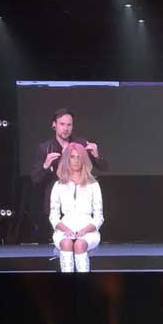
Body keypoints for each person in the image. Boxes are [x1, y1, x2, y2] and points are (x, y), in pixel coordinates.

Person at [31, 108, 107, 242]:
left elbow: (104, 168)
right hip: (57, 203)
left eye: (69, 125)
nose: (65, 128)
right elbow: (35, 179)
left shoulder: (80, 144)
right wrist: (45, 166)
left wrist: (96, 155)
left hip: (80, 202)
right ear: (54, 124)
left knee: (81, 241)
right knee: (62, 242)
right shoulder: (45, 148)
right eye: (62, 124)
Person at [49, 142, 104, 273]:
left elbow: (99, 217)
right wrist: (65, 229)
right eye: (73, 157)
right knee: (66, 243)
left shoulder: (93, 184)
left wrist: (85, 230)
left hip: (88, 231)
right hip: (64, 230)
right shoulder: (59, 185)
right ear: (67, 159)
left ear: (84, 159)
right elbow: (53, 215)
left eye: (79, 157)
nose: (76, 160)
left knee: (80, 244)